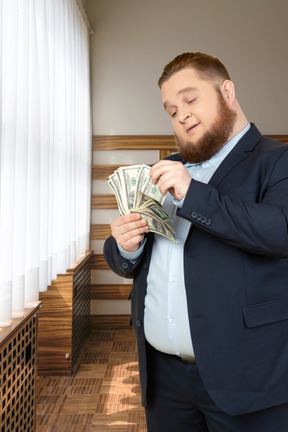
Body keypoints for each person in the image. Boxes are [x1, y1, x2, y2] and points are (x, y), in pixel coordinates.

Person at [103, 52, 288, 431]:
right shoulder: (166, 168)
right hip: (164, 380)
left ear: (227, 91)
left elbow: (279, 231)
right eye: (171, 110)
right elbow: (128, 259)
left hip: (247, 379)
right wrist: (126, 245)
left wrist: (193, 195)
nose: (181, 114)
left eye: (190, 99)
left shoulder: (276, 161)